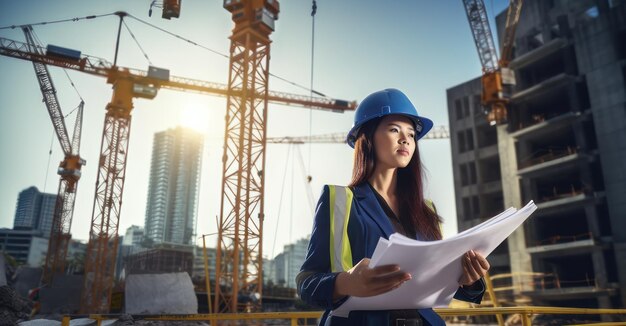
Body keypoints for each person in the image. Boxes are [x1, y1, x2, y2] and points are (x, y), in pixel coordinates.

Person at [296, 89, 490, 326]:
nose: (406, 139)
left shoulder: (426, 210)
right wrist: (346, 282)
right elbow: (307, 283)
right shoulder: (338, 200)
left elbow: (437, 282)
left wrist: (469, 279)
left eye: (411, 134)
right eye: (394, 129)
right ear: (367, 137)